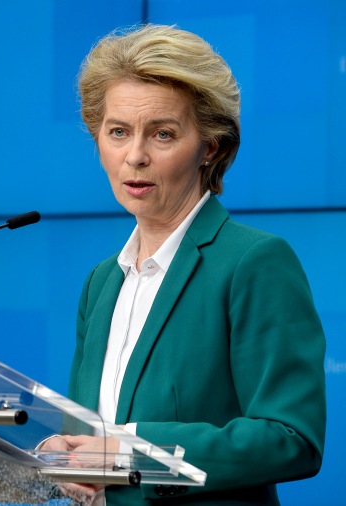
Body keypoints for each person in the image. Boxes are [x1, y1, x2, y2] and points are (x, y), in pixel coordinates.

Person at [39, 24, 326, 505]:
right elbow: (91, 434)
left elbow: (291, 439)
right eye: (118, 132)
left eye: (163, 134)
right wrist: (60, 452)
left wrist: (129, 453)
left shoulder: (253, 262)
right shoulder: (102, 282)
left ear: (209, 147)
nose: (135, 156)